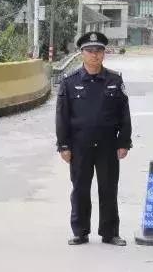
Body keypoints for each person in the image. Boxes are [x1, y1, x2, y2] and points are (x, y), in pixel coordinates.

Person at [56, 31, 132, 246]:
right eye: (90, 51)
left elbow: (124, 114)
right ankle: (80, 231)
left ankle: (110, 232)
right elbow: (62, 116)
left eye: (98, 50)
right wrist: (63, 145)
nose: (94, 55)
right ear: (82, 53)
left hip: (108, 145)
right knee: (80, 189)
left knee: (108, 188)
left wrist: (124, 142)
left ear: (104, 54)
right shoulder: (69, 82)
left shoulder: (115, 80)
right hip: (79, 145)